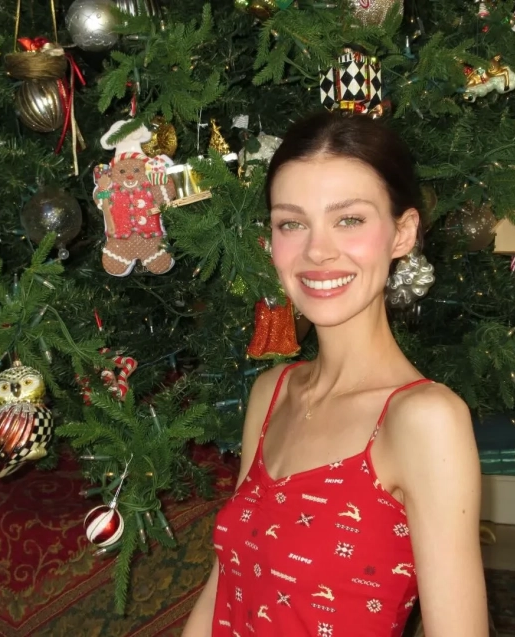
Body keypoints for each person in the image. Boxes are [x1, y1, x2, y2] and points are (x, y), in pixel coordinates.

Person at [182, 111, 487, 636]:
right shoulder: (273, 392)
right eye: (292, 223)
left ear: (402, 233)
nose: (317, 251)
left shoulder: (424, 419)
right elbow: (225, 583)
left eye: (349, 219)